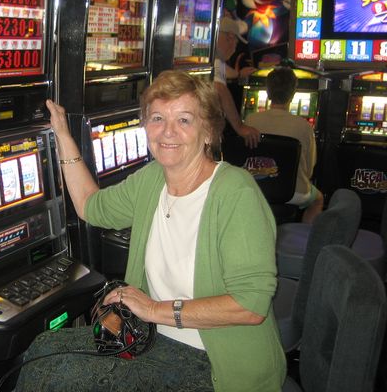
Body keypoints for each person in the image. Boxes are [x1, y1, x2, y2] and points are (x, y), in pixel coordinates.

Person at [15, 71, 286, 392]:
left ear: (208, 132)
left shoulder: (236, 193)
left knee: (58, 374)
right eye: (157, 118)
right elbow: (90, 206)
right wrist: (62, 134)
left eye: (184, 120)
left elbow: (250, 305)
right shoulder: (153, 179)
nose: (168, 131)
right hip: (153, 335)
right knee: (43, 349)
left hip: (215, 361)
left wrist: (153, 309)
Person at [244, 66, 324, 223]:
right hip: (293, 192)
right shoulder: (304, 126)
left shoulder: (250, 120)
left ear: (268, 92)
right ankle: (303, 236)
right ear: (293, 94)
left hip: (255, 186)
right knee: (319, 199)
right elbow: (309, 170)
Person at [214, 16, 260, 148]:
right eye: (236, 42)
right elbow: (219, 88)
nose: (235, 48)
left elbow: (226, 71)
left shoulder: (208, 57)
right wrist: (240, 127)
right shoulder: (216, 62)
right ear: (230, 37)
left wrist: (239, 74)